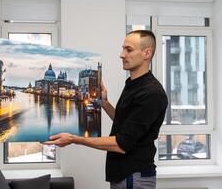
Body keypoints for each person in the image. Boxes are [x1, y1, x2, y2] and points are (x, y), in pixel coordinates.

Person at [44, 30, 168, 189]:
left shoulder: (151, 93)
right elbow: (126, 124)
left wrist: (74, 139)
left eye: (128, 50)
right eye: (123, 49)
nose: (122, 55)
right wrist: (104, 103)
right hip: (123, 175)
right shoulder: (133, 84)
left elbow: (122, 144)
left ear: (147, 53)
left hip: (133, 177)